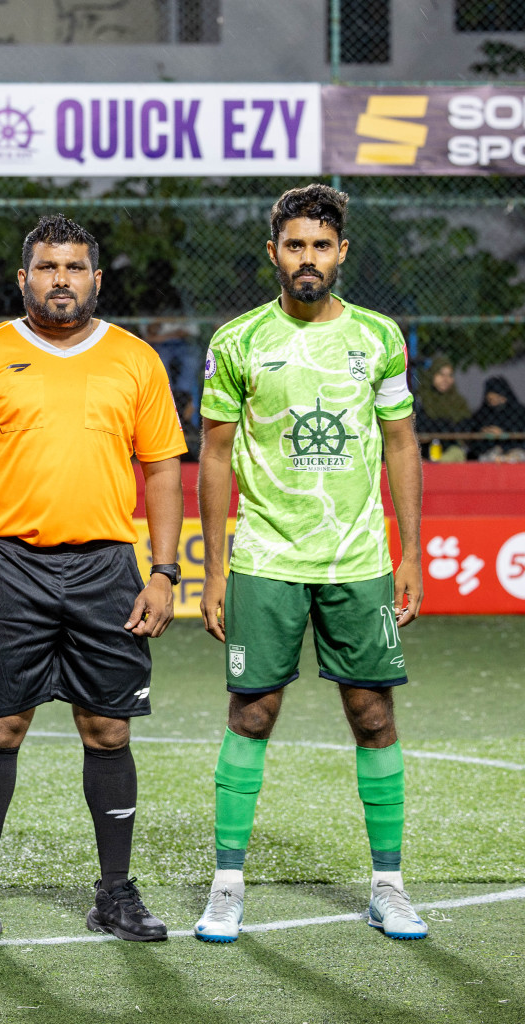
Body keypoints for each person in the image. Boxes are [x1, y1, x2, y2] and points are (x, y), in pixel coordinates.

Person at [0, 214, 185, 946]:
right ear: (24, 279)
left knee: (107, 728)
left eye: (75, 268)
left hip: (108, 566)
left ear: (96, 279)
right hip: (13, 565)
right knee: (0, 726)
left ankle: (115, 893)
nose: (61, 280)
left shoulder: (136, 361)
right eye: (47, 267)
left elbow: (163, 468)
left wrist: (165, 572)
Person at [194, 184, 427, 943]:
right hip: (265, 555)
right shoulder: (236, 342)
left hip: (357, 557)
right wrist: (217, 569)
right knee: (252, 712)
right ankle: (227, 886)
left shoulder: (380, 338)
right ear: (274, 253)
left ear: (341, 253)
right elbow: (216, 455)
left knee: (373, 715)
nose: (307, 259)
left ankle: (387, 885)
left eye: (320, 246)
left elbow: (400, 442)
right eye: (294, 245)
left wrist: (411, 551)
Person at [414, 357, 471, 462]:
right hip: (423, 451)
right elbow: (420, 426)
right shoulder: (421, 398)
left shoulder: (458, 401)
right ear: (432, 375)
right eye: (441, 374)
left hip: (450, 449)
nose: (446, 379)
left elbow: (465, 426)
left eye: (450, 375)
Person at [468, 376, 525, 462]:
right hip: (489, 451)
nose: (493, 399)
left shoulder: (518, 412)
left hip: (515, 449)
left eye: (498, 396)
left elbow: (520, 434)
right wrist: (483, 431)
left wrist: (503, 433)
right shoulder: (482, 414)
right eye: (490, 396)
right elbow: (473, 440)